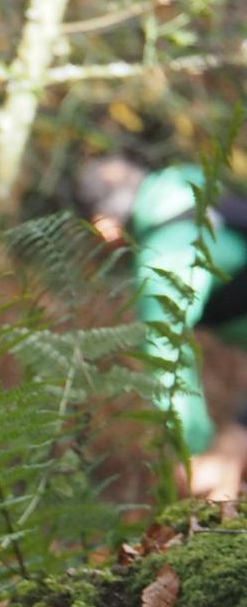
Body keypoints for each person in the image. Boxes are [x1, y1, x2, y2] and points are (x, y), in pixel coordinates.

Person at [79, 154, 247, 502]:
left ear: (104, 226)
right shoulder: (197, 190)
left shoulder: (164, 256)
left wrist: (196, 452)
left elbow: (165, 354)